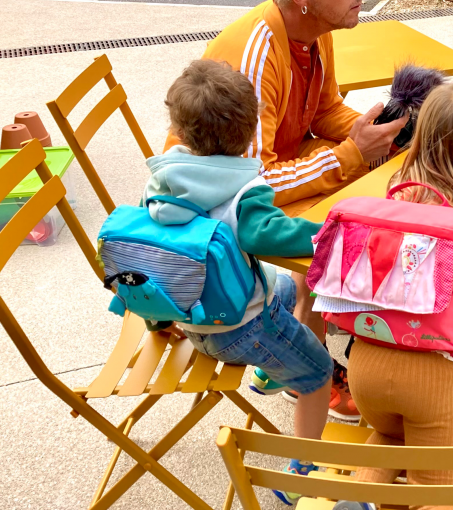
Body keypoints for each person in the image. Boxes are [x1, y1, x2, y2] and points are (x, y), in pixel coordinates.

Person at [169, 0, 410, 422]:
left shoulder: (314, 32)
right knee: (344, 224)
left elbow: (324, 110)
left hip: (241, 191)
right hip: (218, 209)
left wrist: (383, 137)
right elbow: (251, 181)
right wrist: (348, 158)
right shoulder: (257, 54)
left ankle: (292, 344)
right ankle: (303, 364)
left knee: (376, 188)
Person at [149, 59, 333, 506]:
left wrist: (158, 321)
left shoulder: (161, 180)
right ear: (252, 131)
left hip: (188, 315)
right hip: (240, 328)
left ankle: (271, 371)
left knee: (290, 286)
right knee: (318, 373)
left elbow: (150, 253)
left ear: (179, 129)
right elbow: (267, 235)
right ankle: (302, 472)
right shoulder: (244, 191)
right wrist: (325, 231)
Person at [342, 83, 453, 510]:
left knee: (388, 436)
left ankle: (360, 501)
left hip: (365, 357)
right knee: (433, 489)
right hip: (431, 372)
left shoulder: (398, 187)